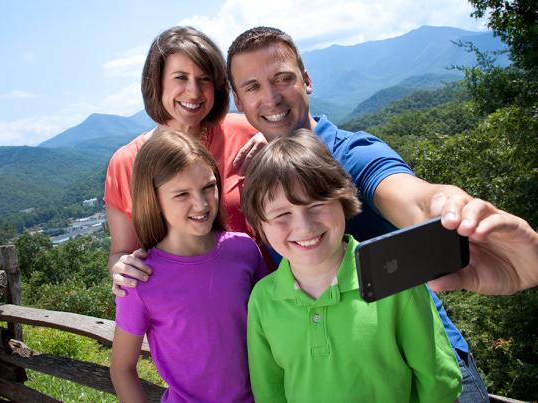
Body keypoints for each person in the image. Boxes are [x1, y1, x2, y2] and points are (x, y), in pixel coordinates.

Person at [226, 26, 490, 402]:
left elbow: (407, 194)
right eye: (252, 87)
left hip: (422, 363)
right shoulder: (266, 173)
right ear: (238, 100)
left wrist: (444, 208)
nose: (270, 97)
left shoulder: (352, 154)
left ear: (307, 80)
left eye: (283, 78)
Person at [241, 129, 462, 402]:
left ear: (342, 199)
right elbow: (270, 393)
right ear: (260, 226)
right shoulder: (263, 300)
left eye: (316, 205)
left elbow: (437, 382)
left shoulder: (395, 278)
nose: (304, 226)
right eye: (282, 214)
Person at [105, 26, 266, 296]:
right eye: (181, 77)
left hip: (264, 300)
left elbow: (306, 139)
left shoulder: (247, 133)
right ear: (157, 83)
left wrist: (276, 140)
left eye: (204, 79)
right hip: (187, 316)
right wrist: (121, 267)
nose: (194, 92)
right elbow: (120, 253)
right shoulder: (126, 163)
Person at [110, 130, 266, 402]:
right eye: (182, 194)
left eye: (208, 187)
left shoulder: (244, 249)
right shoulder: (140, 279)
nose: (202, 203)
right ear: (154, 200)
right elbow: (122, 369)